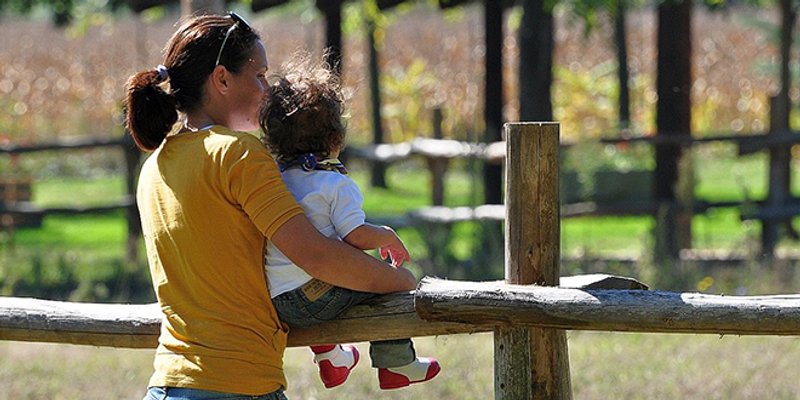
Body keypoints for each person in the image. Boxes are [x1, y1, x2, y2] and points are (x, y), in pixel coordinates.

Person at [124, 12, 417, 400]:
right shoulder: (238, 154)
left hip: (167, 383)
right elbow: (316, 256)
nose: (267, 90)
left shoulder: (154, 166)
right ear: (223, 79)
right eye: (259, 75)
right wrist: (400, 282)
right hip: (238, 384)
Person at [259, 55, 441, 391]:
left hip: (277, 299)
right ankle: (397, 363)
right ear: (335, 139)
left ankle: (331, 357)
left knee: (326, 269)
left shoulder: (274, 179)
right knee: (398, 281)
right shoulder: (334, 183)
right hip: (314, 296)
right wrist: (386, 236)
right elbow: (354, 236)